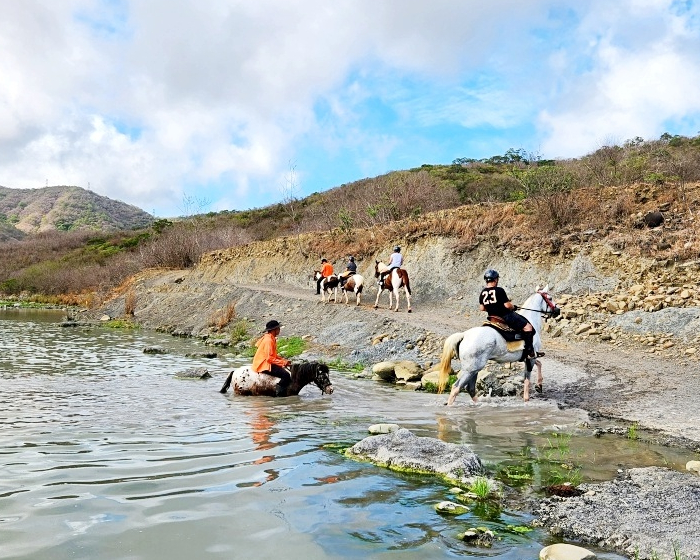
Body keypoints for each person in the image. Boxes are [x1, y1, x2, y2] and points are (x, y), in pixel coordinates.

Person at [479, 269, 536, 359]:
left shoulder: (483, 292)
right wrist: (513, 307)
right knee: (528, 327)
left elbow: (482, 308)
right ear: (495, 279)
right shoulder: (499, 290)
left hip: (492, 317)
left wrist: (492, 308)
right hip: (505, 316)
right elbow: (508, 306)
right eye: (497, 279)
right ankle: (530, 352)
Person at [252, 320, 292, 397]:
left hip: (266, 361)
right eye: (278, 329)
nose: (279, 330)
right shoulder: (268, 340)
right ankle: (278, 394)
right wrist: (283, 363)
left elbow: (274, 355)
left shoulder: (270, 338)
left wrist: (283, 360)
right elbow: (269, 358)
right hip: (264, 364)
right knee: (286, 375)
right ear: (274, 330)